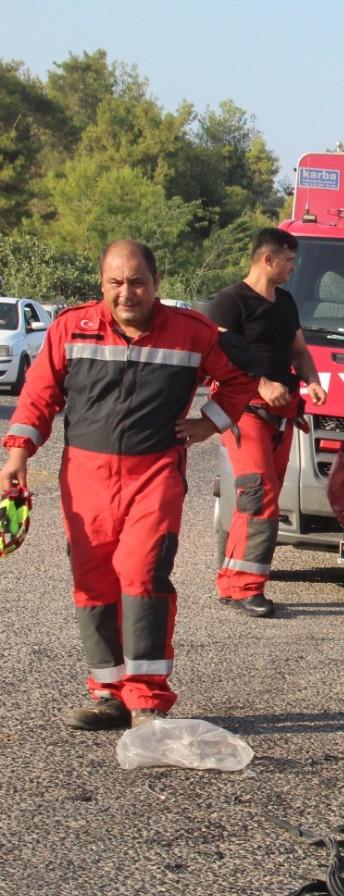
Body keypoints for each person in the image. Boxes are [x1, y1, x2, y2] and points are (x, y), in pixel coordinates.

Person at [0, 240, 261, 729]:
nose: (127, 294)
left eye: (137, 282)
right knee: (93, 583)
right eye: (116, 283)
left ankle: (146, 700)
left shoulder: (192, 332)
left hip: (155, 473)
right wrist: (17, 455)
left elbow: (242, 379)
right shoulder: (69, 328)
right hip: (85, 478)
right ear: (101, 285)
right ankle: (108, 693)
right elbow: (38, 395)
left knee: (142, 576)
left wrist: (210, 422)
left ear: (157, 284)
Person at [207, 227, 327, 618]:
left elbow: (299, 350)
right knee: (260, 497)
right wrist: (262, 383)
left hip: (283, 416)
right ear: (268, 259)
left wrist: (312, 380)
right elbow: (221, 358)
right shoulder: (229, 302)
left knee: (257, 498)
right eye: (289, 260)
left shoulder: (286, 302)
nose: (294, 268)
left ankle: (231, 582)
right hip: (247, 412)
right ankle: (247, 588)